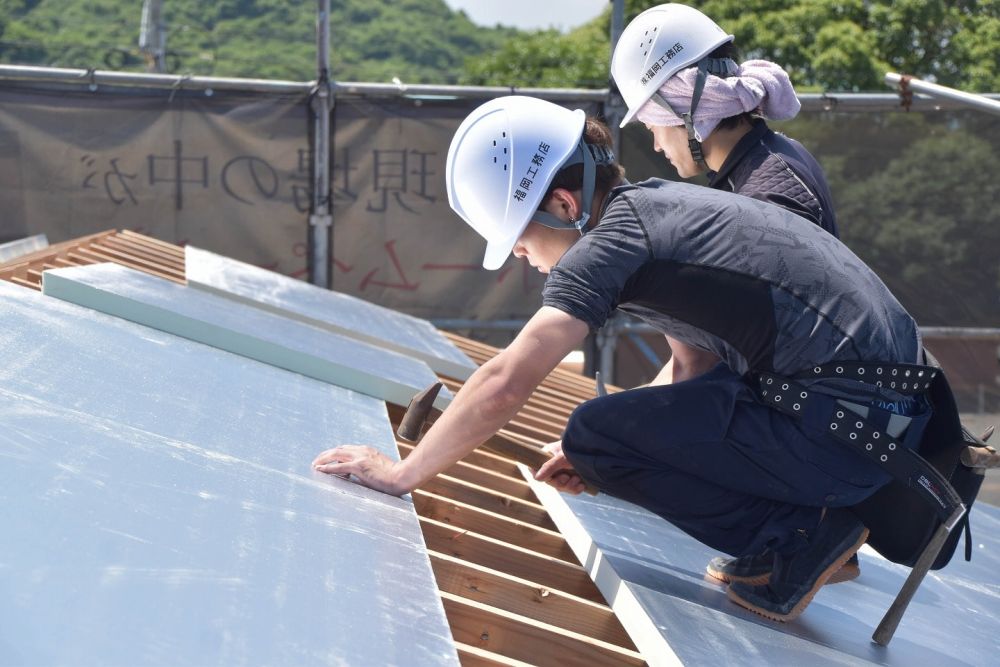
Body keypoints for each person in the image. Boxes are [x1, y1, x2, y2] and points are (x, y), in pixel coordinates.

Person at [312, 96, 934, 622]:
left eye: (521, 239)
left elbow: (506, 381)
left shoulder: (612, 244)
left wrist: (403, 474)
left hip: (845, 434)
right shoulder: (666, 213)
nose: (522, 258)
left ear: (562, 205)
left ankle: (803, 538)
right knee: (601, 436)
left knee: (591, 425)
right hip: (880, 430)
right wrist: (611, 457)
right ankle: (806, 527)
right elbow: (690, 372)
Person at [611, 3, 855, 583]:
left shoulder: (768, 193)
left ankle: (800, 536)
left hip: (807, 418)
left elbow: (727, 349)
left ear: (683, 108)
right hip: (814, 405)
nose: (651, 135)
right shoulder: (765, 166)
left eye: (651, 118)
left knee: (628, 438)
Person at [610, 3, 838, 237]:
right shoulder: (773, 156)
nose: (656, 145)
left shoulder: (764, 202)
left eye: (652, 127)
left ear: (685, 111)